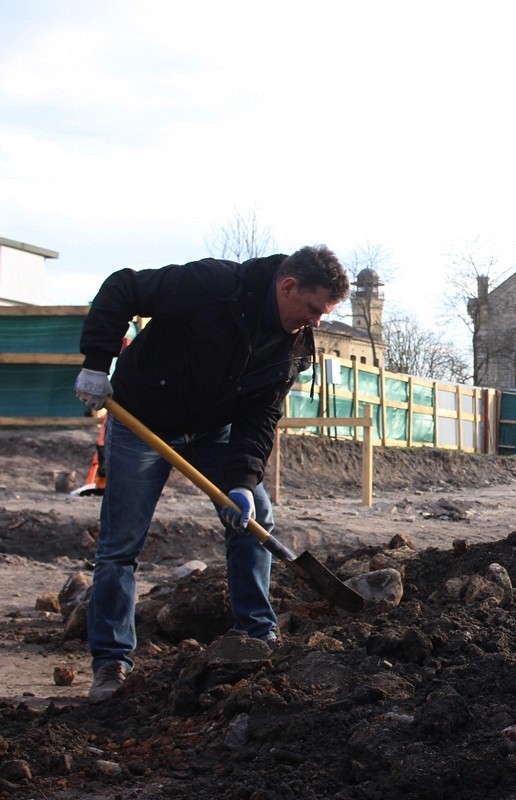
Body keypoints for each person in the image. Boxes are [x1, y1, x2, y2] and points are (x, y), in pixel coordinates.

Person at [73, 245, 350, 702]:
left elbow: (259, 420)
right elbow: (122, 287)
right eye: (314, 309)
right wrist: (96, 363)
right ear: (288, 287)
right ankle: (111, 664)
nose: (317, 322)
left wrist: (241, 482)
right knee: (120, 545)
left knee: (255, 515)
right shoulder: (213, 286)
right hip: (143, 419)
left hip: (212, 431)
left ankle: (256, 639)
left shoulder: (292, 348)